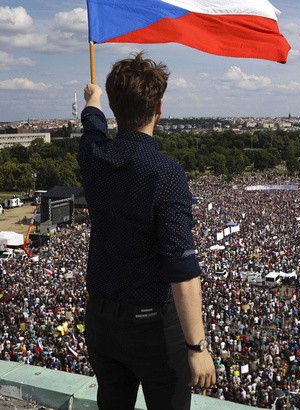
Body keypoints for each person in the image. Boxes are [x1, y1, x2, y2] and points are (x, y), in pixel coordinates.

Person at [78, 52, 215, 409]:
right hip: (153, 326)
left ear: (114, 107)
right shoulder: (165, 173)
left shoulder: (93, 156)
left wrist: (92, 102)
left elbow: (92, 126)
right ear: (159, 108)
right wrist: (197, 346)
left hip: (102, 321)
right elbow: (182, 268)